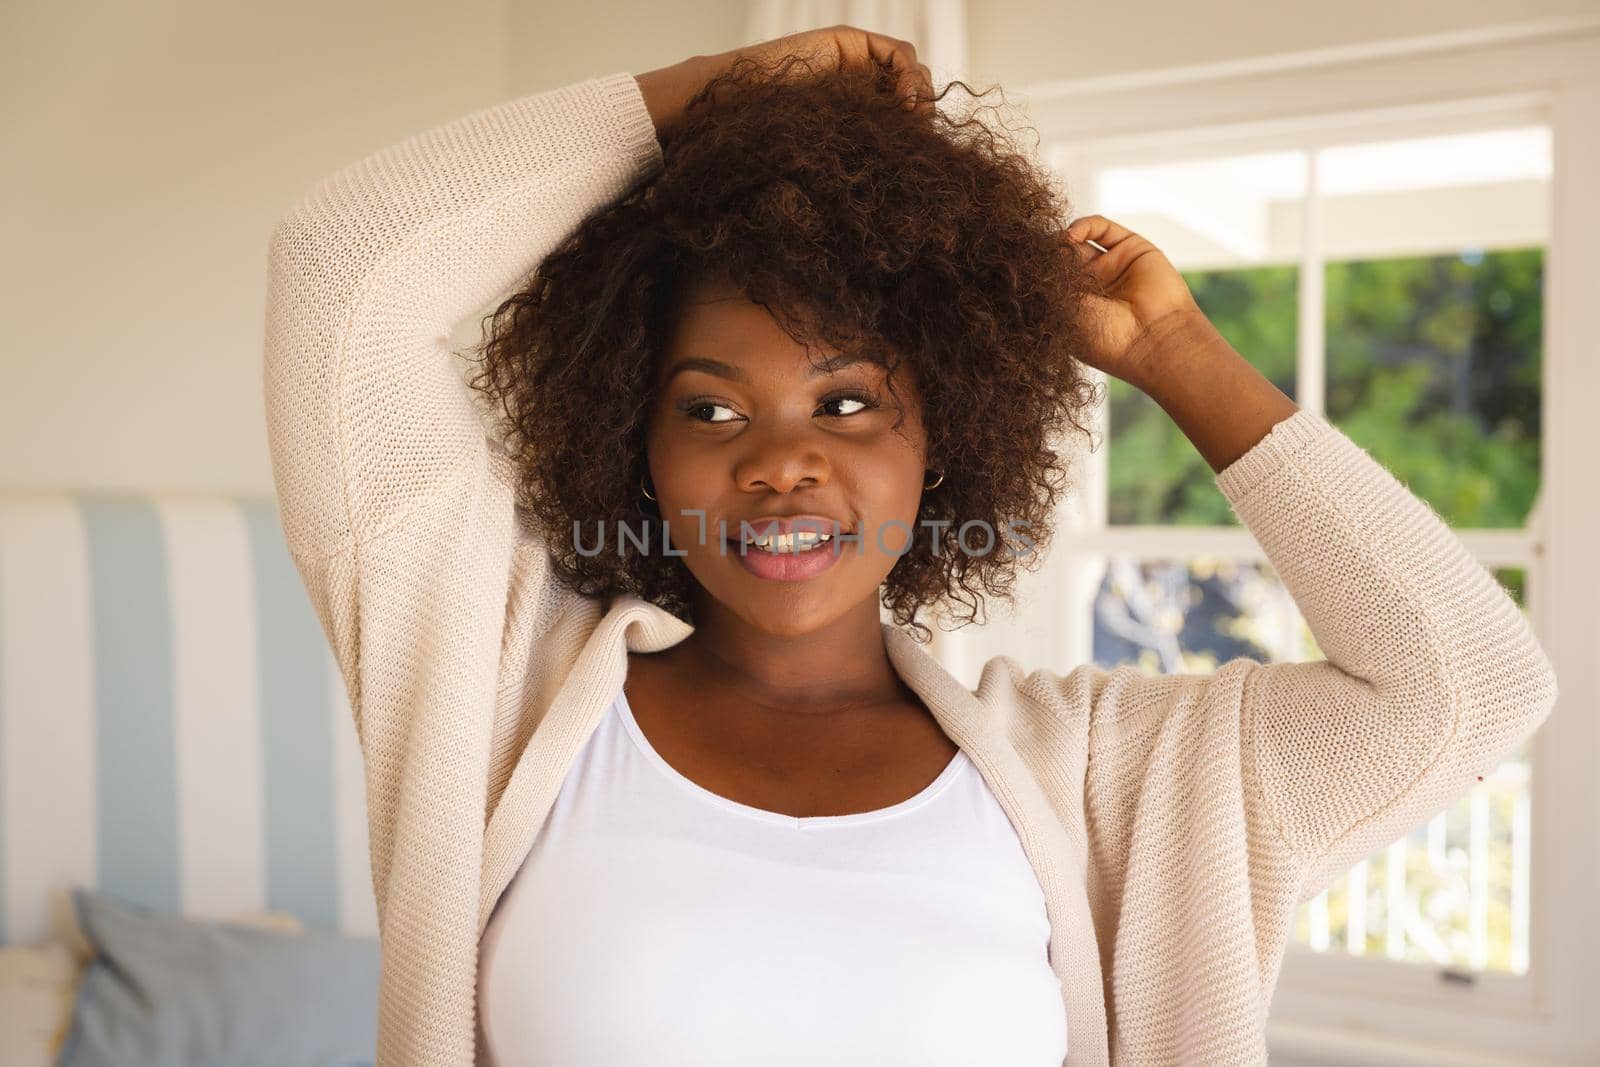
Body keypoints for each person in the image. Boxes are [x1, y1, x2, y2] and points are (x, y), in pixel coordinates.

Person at [261, 24, 1560, 1067]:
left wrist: (1177, 360)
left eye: (847, 401)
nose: (782, 460)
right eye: (711, 407)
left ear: (938, 437)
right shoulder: (503, 701)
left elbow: (1467, 689)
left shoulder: (1103, 782)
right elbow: (344, 272)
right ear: (630, 444)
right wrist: (720, 92)